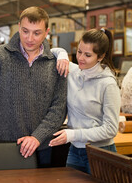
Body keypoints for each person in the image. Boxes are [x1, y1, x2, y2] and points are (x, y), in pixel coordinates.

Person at [0, 6, 67, 168]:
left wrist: (37, 137)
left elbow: (59, 108)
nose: (30, 38)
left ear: (46, 32)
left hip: (42, 149)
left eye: (37, 33)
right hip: (2, 147)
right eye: (25, 31)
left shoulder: (56, 64)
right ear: (18, 27)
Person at [49, 29, 121, 174]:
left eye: (88, 55)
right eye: (79, 51)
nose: (81, 58)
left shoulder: (108, 84)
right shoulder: (73, 71)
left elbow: (111, 129)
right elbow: (49, 51)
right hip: (75, 150)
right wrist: (63, 55)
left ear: (100, 56)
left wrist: (73, 135)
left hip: (101, 153)